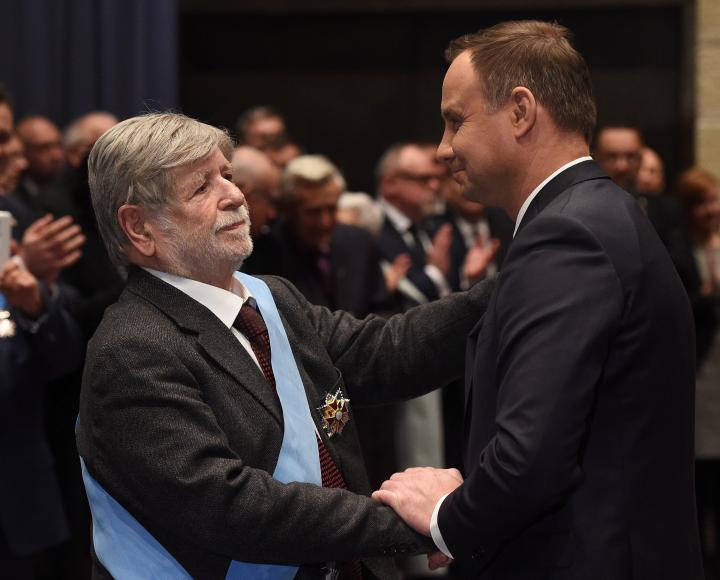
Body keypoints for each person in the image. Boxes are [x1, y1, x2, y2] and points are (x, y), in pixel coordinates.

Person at [77, 112, 496, 579]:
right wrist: (425, 520)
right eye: (201, 188)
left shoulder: (271, 297)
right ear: (139, 228)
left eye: (227, 175)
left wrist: (519, 283)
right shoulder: (131, 349)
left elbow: (387, 353)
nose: (235, 195)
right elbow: (231, 507)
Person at [374, 20, 702, 579]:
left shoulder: (568, 233)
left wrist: (447, 518)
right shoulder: (595, 213)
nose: (444, 148)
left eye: (456, 120)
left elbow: (530, 458)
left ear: (521, 111)